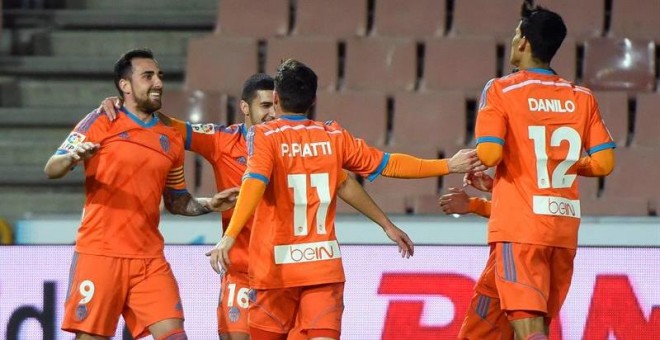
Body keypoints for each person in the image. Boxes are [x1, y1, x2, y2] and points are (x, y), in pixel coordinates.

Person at [99, 73, 418, 340]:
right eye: (263, 106)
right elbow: (169, 126)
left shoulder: (293, 141)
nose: (271, 114)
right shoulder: (222, 141)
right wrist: (127, 108)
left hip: (287, 275)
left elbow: (343, 182)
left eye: (274, 105)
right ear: (244, 108)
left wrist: (386, 225)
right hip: (241, 273)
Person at [209, 59, 483, 340]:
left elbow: (254, 182)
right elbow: (389, 164)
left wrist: (229, 236)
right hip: (322, 270)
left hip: (274, 271)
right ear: (314, 100)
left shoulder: (264, 136)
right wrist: (448, 165)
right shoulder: (333, 136)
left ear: (276, 98)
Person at [44, 48, 238, 340]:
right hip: (100, 254)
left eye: (159, 76)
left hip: (149, 259)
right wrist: (72, 157)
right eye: (147, 76)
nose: (158, 82)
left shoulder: (170, 139)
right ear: (125, 85)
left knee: (175, 335)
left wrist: (209, 203)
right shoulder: (100, 120)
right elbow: (51, 168)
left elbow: (177, 200)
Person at [462, 1, 616, 339]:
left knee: (529, 329)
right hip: (562, 230)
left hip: (520, 231)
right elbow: (605, 163)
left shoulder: (501, 89)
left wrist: (473, 161)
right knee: (517, 326)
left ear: (524, 43)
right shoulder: (582, 96)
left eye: (516, 32)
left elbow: (488, 152)